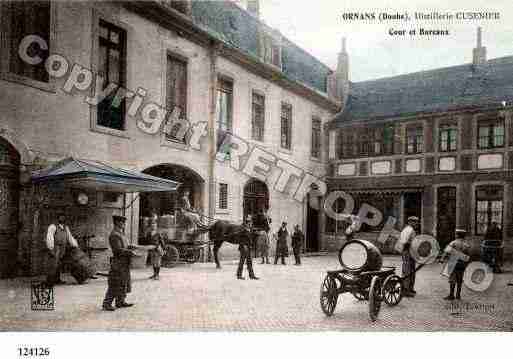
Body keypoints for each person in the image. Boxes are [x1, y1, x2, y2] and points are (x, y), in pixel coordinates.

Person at [102, 215, 138, 311]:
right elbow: (117, 250)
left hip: (124, 262)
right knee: (115, 282)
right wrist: (130, 252)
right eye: (122, 222)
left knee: (123, 282)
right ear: (117, 223)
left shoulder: (121, 234)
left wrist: (130, 246)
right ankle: (106, 303)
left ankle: (120, 301)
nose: (124, 224)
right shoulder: (114, 235)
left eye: (124, 222)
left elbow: (124, 246)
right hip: (118, 262)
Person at [45, 213, 79, 286]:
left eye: (63, 217)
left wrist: (75, 245)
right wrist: (50, 247)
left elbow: (70, 237)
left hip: (62, 248)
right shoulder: (53, 226)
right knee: (53, 264)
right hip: (55, 247)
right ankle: (49, 281)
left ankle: (57, 279)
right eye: (61, 217)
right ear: (58, 218)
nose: (62, 219)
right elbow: (49, 237)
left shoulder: (66, 228)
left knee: (59, 264)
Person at [442, 229, 471, 300]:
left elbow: (447, 252)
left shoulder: (453, 243)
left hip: (453, 263)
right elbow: (468, 255)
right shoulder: (466, 244)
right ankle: (458, 295)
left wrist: (442, 259)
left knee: (452, 279)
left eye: (456, 234)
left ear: (457, 235)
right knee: (460, 279)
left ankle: (451, 295)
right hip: (462, 264)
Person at [400, 216, 419, 297]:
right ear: (410, 222)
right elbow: (405, 242)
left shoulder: (409, 230)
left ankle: (410, 288)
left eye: (417, 222)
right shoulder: (409, 230)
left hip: (410, 252)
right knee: (407, 271)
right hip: (408, 252)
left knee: (411, 270)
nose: (416, 223)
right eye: (415, 222)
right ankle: (405, 290)